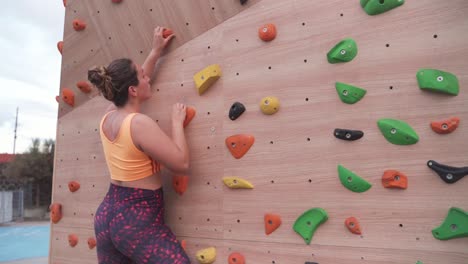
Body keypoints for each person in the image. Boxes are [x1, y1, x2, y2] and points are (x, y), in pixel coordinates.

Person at [88, 26, 191, 264]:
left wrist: (155, 52)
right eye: (142, 75)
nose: (147, 76)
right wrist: (177, 122)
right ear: (133, 90)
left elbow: (135, 79)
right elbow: (182, 163)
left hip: (106, 216)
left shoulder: (108, 116)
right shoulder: (138, 124)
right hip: (136, 217)